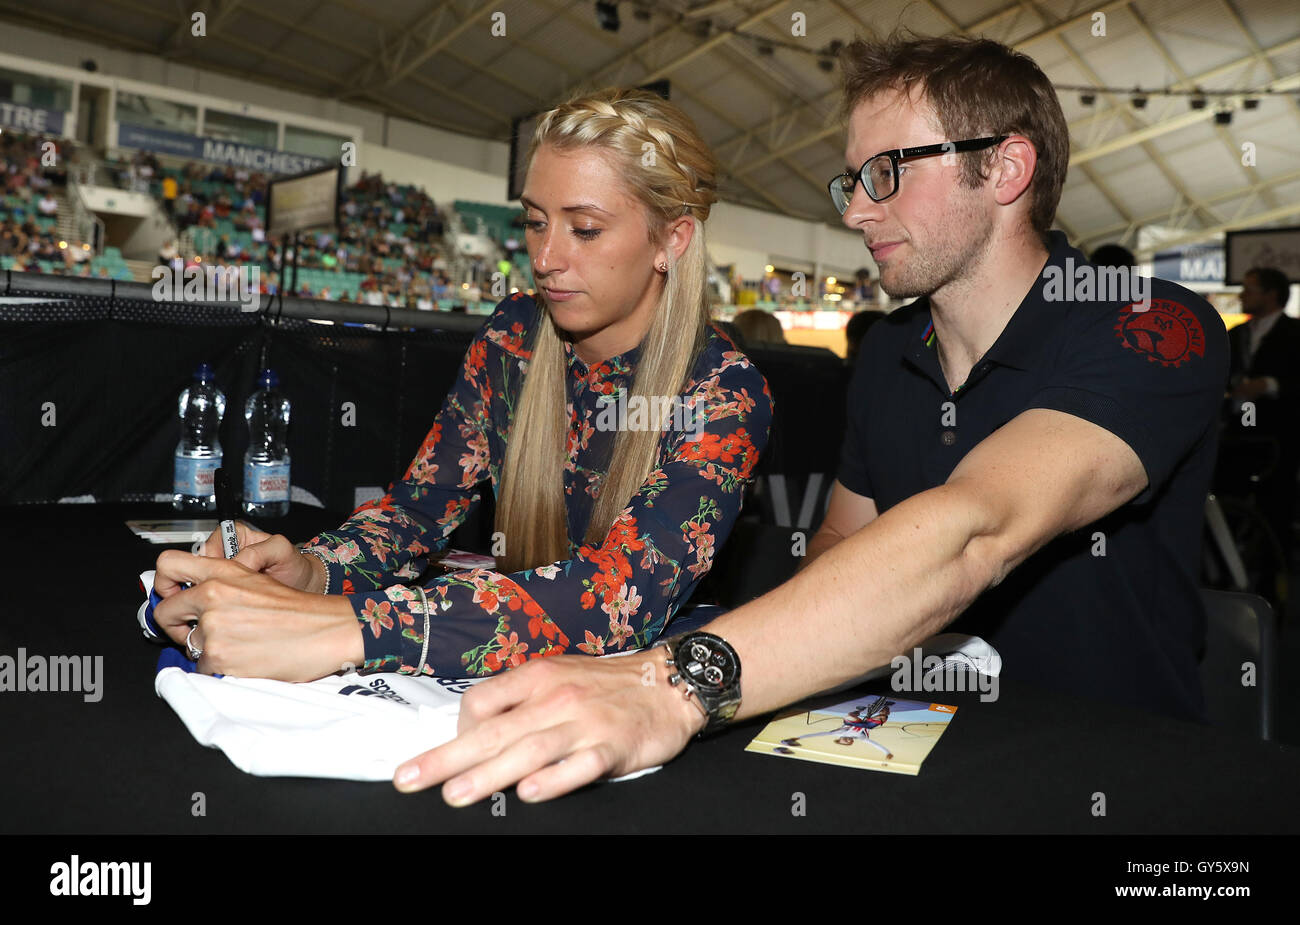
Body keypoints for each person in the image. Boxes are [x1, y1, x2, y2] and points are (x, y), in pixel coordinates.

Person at [376, 32, 1228, 808]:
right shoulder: (889, 360)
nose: (855, 211)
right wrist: (892, 615)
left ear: (1004, 169)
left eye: (887, 173)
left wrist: (670, 683)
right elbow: (833, 550)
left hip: (1112, 775)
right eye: (850, 180)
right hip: (905, 755)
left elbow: (976, 530)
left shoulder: (1148, 324)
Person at [150, 87, 772, 685]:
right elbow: (418, 512)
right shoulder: (513, 335)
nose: (546, 256)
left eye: (583, 229)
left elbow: (616, 598)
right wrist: (310, 571)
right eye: (534, 222)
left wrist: (337, 627)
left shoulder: (723, 395)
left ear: (673, 239)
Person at [1223, 266, 1299, 560]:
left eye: (1249, 289)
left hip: (1280, 435)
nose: (1242, 295)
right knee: (1230, 501)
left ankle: (1274, 583)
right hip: (1236, 433)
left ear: (1271, 294)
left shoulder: (1294, 333)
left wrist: (1269, 384)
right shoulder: (1236, 334)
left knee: (1276, 505)